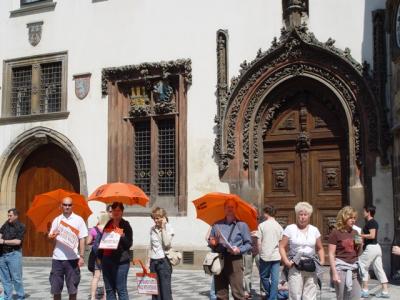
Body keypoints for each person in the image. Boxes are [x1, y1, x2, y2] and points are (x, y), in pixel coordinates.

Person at [208, 198, 252, 300]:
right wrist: (213, 243)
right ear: (224, 208)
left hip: (235, 261)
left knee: (238, 293)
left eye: (232, 207)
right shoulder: (217, 225)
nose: (230, 209)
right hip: (220, 259)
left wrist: (239, 250)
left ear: (236, 209)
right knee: (220, 293)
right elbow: (211, 241)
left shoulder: (242, 225)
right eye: (228, 207)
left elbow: (249, 244)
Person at [279, 202, 325, 300]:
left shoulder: (314, 230)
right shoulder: (290, 228)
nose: (302, 217)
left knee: (310, 296)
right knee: (295, 295)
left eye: (305, 214)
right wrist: (286, 262)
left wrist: (321, 261)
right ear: (297, 215)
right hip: (295, 265)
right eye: (300, 214)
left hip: (311, 265)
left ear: (309, 216)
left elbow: (320, 248)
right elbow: (281, 246)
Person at [48, 197, 88, 300]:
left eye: (69, 205)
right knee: (56, 290)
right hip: (57, 258)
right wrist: (53, 235)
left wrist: (82, 256)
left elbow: (82, 239)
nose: (67, 207)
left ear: (72, 206)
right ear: (61, 206)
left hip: (73, 259)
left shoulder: (78, 220)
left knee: (73, 289)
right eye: (65, 205)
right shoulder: (57, 220)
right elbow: (50, 237)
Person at [98, 202, 132, 300]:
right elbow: (102, 241)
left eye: (118, 210)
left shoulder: (125, 225)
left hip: (121, 262)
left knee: (121, 289)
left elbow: (129, 244)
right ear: (111, 212)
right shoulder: (108, 223)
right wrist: (99, 257)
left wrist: (122, 236)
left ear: (122, 212)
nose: (116, 213)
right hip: (107, 260)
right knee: (109, 290)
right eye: (114, 210)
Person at [328, 206, 362, 300]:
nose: (353, 220)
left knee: (356, 296)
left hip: (354, 269)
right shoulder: (335, 233)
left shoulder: (355, 232)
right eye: (351, 218)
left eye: (355, 218)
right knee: (342, 297)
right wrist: (334, 273)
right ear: (344, 217)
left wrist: (360, 245)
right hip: (341, 269)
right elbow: (331, 254)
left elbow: (357, 252)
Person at [359, 205, 390, 298]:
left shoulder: (371, 222)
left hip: (371, 248)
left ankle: (365, 290)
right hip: (376, 248)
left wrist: (361, 235)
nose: (363, 212)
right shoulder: (371, 222)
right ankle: (385, 291)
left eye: (364, 211)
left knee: (362, 265)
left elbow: (372, 235)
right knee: (379, 268)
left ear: (368, 212)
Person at [257, 205, 283, 300]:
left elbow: (259, 242)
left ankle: (272, 296)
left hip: (265, 255)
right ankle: (273, 296)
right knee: (275, 279)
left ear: (266, 213)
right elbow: (281, 243)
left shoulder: (261, 225)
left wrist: (260, 253)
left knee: (264, 277)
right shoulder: (279, 226)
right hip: (276, 255)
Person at [149, 207, 174, 300]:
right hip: (153, 262)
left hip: (164, 261)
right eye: (154, 218)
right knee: (154, 292)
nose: (155, 220)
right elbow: (151, 246)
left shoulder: (169, 227)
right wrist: (148, 262)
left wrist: (163, 228)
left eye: (157, 218)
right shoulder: (152, 229)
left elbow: (167, 243)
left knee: (165, 291)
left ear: (163, 217)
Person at [0, 208, 26, 300]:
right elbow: (0, 233)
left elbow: (17, 242)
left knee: (16, 278)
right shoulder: (6, 224)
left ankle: (20, 296)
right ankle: (8, 297)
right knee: (5, 279)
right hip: (2, 255)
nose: (9, 217)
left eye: (10, 216)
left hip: (14, 254)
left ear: (16, 216)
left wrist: (3, 241)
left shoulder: (21, 226)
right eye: (8, 215)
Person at [87, 212, 109, 300]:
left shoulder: (94, 229)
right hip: (107, 256)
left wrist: (94, 241)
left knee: (96, 277)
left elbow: (88, 242)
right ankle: (105, 296)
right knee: (106, 277)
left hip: (97, 256)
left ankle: (92, 297)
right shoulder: (109, 229)